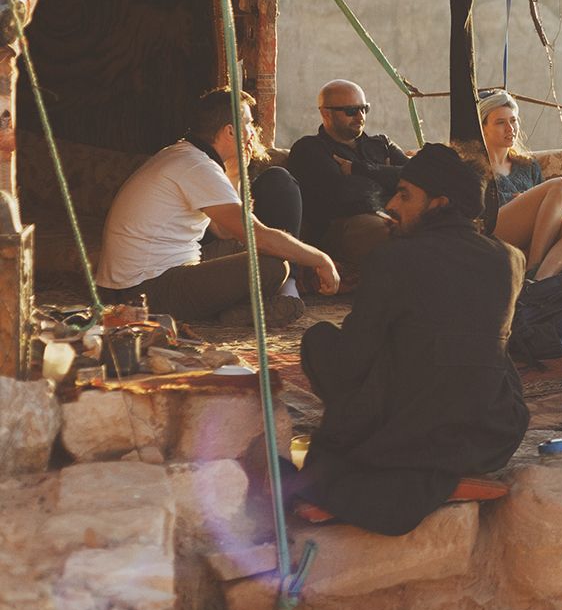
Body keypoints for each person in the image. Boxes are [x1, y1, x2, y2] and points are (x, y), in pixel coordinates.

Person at [295, 144, 528, 536]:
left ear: (439, 203)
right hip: (488, 436)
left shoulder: (392, 259)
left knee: (319, 339)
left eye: (404, 194)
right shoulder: (511, 259)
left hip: (402, 438)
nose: (391, 205)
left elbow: (349, 363)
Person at [98, 88, 338, 323]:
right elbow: (258, 237)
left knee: (245, 248)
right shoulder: (197, 166)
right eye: (249, 124)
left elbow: (225, 232)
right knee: (274, 266)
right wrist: (321, 259)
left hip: (141, 283)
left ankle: (228, 311)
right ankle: (232, 314)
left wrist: (235, 170)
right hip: (144, 292)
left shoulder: (186, 156)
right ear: (230, 131)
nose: (253, 132)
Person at [286, 79, 409, 273]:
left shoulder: (382, 143)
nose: (360, 116)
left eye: (364, 109)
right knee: (396, 233)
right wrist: (393, 182)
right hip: (344, 227)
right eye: (351, 111)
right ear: (326, 113)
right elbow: (343, 195)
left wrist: (361, 170)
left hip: (390, 216)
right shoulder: (309, 148)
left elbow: (419, 176)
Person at [478, 90, 562, 280]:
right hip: (493, 234)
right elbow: (474, 212)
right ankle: (533, 266)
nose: (510, 128)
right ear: (483, 128)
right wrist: (523, 202)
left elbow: (548, 211)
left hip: (533, 237)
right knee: (561, 185)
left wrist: (533, 203)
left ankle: (537, 282)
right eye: (500, 122)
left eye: (513, 121)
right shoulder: (474, 166)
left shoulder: (527, 165)